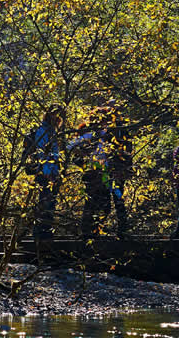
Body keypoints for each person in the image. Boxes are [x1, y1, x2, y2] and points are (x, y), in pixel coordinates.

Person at [68, 103, 131, 238]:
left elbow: (126, 151)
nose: (105, 121)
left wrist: (124, 167)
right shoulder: (88, 132)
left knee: (115, 201)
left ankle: (116, 231)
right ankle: (88, 232)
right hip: (94, 174)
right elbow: (72, 148)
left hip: (111, 174)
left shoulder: (116, 131)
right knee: (93, 203)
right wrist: (84, 163)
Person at [22, 105, 64, 240]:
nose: (58, 119)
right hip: (45, 173)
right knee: (45, 202)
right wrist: (47, 172)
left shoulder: (52, 131)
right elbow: (42, 153)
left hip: (52, 172)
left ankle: (45, 232)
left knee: (49, 202)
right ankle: (40, 232)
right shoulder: (43, 131)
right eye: (56, 115)